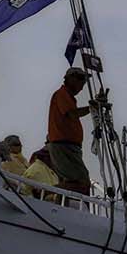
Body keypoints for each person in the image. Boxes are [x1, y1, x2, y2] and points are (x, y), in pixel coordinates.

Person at [46, 67, 95, 195]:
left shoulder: (67, 97)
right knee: (81, 182)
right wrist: (92, 107)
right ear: (71, 79)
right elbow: (72, 114)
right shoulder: (62, 94)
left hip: (67, 146)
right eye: (81, 80)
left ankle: (54, 199)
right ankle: (45, 192)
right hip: (64, 146)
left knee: (73, 181)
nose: (82, 86)